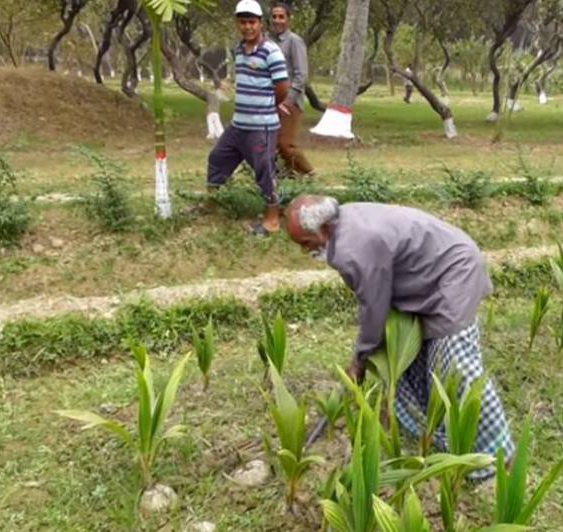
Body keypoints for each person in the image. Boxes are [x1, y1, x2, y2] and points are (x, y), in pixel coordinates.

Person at [284, 195, 514, 481]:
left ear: (325, 228)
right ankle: (442, 437)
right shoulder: (344, 221)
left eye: (306, 242)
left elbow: (374, 306)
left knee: (456, 367)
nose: (305, 251)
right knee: (414, 361)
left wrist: (360, 359)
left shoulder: (353, 248)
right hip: (426, 280)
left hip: (453, 274)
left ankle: (499, 458)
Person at [206, 0, 290, 236]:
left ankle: (272, 220)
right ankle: (212, 205)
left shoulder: (271, 52)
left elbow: (282, 88)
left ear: (260, 23)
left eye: (252, 22)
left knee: (264, 171)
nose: (247, 27)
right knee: (217, 159)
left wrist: (267, 107)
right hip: (238, 125)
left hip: (261, 127)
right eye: (243, 22)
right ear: (237, 24)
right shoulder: (239, 50)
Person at [270, 3, 315, 178]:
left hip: (290, 102)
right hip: (272, 100)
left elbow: (301, 75)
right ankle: (286, 177)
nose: (277, 20)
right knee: (271, 144)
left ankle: (309, 173)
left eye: (281, 17)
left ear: (288, 19)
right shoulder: (268, 42)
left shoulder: (294, 41)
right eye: (274, 16)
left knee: (285, 144)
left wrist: (288, 101)